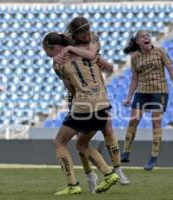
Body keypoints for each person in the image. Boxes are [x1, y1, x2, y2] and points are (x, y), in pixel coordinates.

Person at [53, 16, 129, 185]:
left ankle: (116, 169)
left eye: (88, 32)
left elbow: (92, 54)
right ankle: (90, 175)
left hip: (97, 91)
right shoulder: (66, 43)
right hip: (78, 94)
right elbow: (64, 68)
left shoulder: (91, 37)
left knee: (106, 130)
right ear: (74, 34)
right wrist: (59, 57)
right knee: (81, 140)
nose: (88, 36)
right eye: (83, 34)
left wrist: (72, 50)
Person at [43, 32, 119, 196]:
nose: (47, 55)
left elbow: (70, 88)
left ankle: (73, 185)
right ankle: (109, 174)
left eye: (47, 51)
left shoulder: (58, 64)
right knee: (81, 144)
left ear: (54, 48)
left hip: (84, 105)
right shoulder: (88, 53)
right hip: (103, 103)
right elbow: (104, 63)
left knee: (59, 142)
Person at [121, 30, 173, 170]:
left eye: (148, 36)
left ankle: (153, 156)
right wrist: (129, 97)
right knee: (133, 119)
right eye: (143, 37)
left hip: (159, 90)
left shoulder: (160, 51)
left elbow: (170, 68)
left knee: (156, 121)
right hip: (142, 91)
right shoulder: (134, 57)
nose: (147, 38)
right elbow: (134, 78)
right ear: (137, 41)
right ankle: (126, 152)